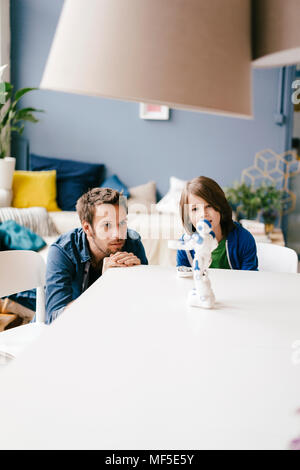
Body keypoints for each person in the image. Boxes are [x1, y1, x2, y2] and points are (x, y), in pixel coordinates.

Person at [45, 187, 148, 323]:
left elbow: (143, 303)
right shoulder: (62, 251)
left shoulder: (132, 243)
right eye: (107, 225)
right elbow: (54, 318)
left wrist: (140, 276)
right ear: (87, 228)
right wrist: (103, 284)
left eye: (122, 223)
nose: (118, 234)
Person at [177, 176, 258, 270]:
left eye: (209, 206)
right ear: (187, 216)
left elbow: (249, 279)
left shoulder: (243, 239)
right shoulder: (185, 246)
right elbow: (183, 280)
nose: (203, 214)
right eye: (195, 209)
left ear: (220, 207)